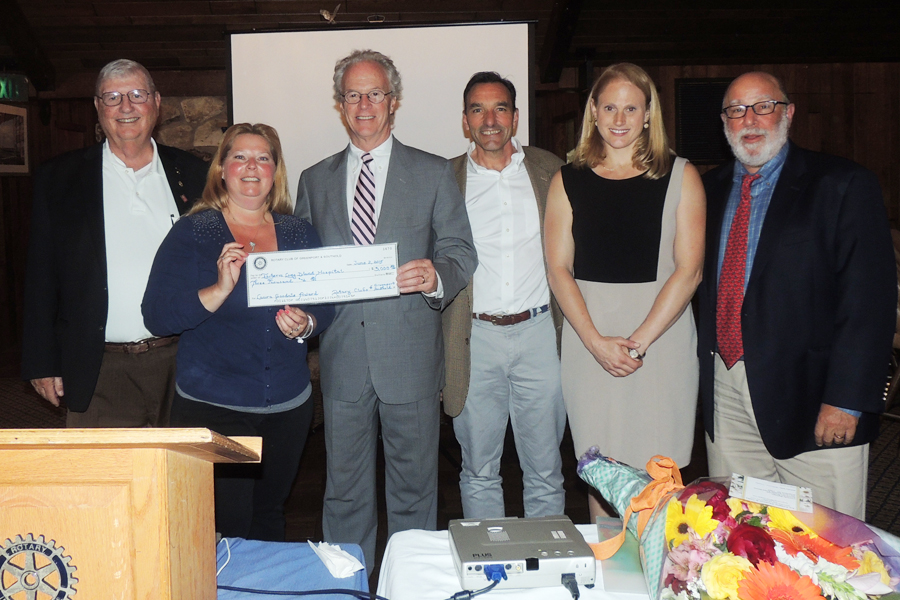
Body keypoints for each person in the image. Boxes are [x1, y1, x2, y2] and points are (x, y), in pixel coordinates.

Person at [294, 49, 476, 568]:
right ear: (340, 105)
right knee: (343, 488)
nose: (364, 103)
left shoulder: (433, 171)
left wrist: (436, 274)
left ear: (393, 102)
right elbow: (305, 265)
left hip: (411, 357)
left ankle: (411, 579)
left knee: (415, 488)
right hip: (344, 357)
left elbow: (461, 250)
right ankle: (345, 581)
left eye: (375, 93)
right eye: (353, 94)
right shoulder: (315, 179)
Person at [697, 71, 895, 520]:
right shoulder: (704, 192)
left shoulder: (842, 184)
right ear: (724, 122)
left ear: (788, 113)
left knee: (832, 547)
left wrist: (847, 400)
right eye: (736, 110)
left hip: (815, 401)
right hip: (727, 394)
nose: (750, 119)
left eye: (763, 106)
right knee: (742, 539)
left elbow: (869, 302)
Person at [142, 123, 334, 540]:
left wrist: (308, 323)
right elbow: (156, 316)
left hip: (287, 407)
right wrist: (217, 290)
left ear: (275, 171)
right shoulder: (195, 233)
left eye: (263, 157)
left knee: (269, 517)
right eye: (240, 157)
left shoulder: (299, 233)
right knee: (221, 526)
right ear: (222, 170)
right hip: (214, 409)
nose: (252, 166)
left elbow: (324, 305)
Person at [545, 63, 705, 519]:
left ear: (649, 114)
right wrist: (596, 342)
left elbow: (689, 271)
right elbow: (559, 269)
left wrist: (639, 343)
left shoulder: (682, 175)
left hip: (661, 338)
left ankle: (659, 574)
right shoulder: (567, 178)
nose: (619, 118)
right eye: (610, 106)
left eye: (631, 108)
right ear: (593, 112)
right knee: (602, 472)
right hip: (588, 336)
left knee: (660, 477)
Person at [22, 59, 209, 427]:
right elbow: (40, 276)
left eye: (137, 94)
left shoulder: (195, 173)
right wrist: (41, 361)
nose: (126, 107)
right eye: (113, 97)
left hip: (184, 362)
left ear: (156, 103)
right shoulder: (58, 179)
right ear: (97, 106)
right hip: (98, 368)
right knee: (104, 479)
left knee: (185, 478)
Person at [442, 71, 566, 519]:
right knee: (478, 469)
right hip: (475, 339)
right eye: (478, 109)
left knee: (546, 470)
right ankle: (490, 576)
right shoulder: (445, 178)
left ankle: (547, 579)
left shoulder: (551, 170)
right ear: (465, 120)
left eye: (499, 109)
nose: (489, 119)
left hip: (539, 336)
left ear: (515, 118)